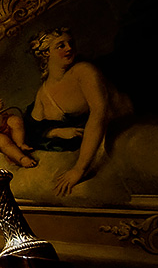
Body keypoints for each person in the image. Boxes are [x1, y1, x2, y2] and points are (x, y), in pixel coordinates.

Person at [25, 28, 130, 196]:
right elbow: (32, 130)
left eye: (70, 43)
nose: (69, 48)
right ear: (46, 53)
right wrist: (56, 131)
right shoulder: (43, 92)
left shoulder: (83, 71)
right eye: (60, 46)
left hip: (117, 133)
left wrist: (79, 169)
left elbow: (99, 115)